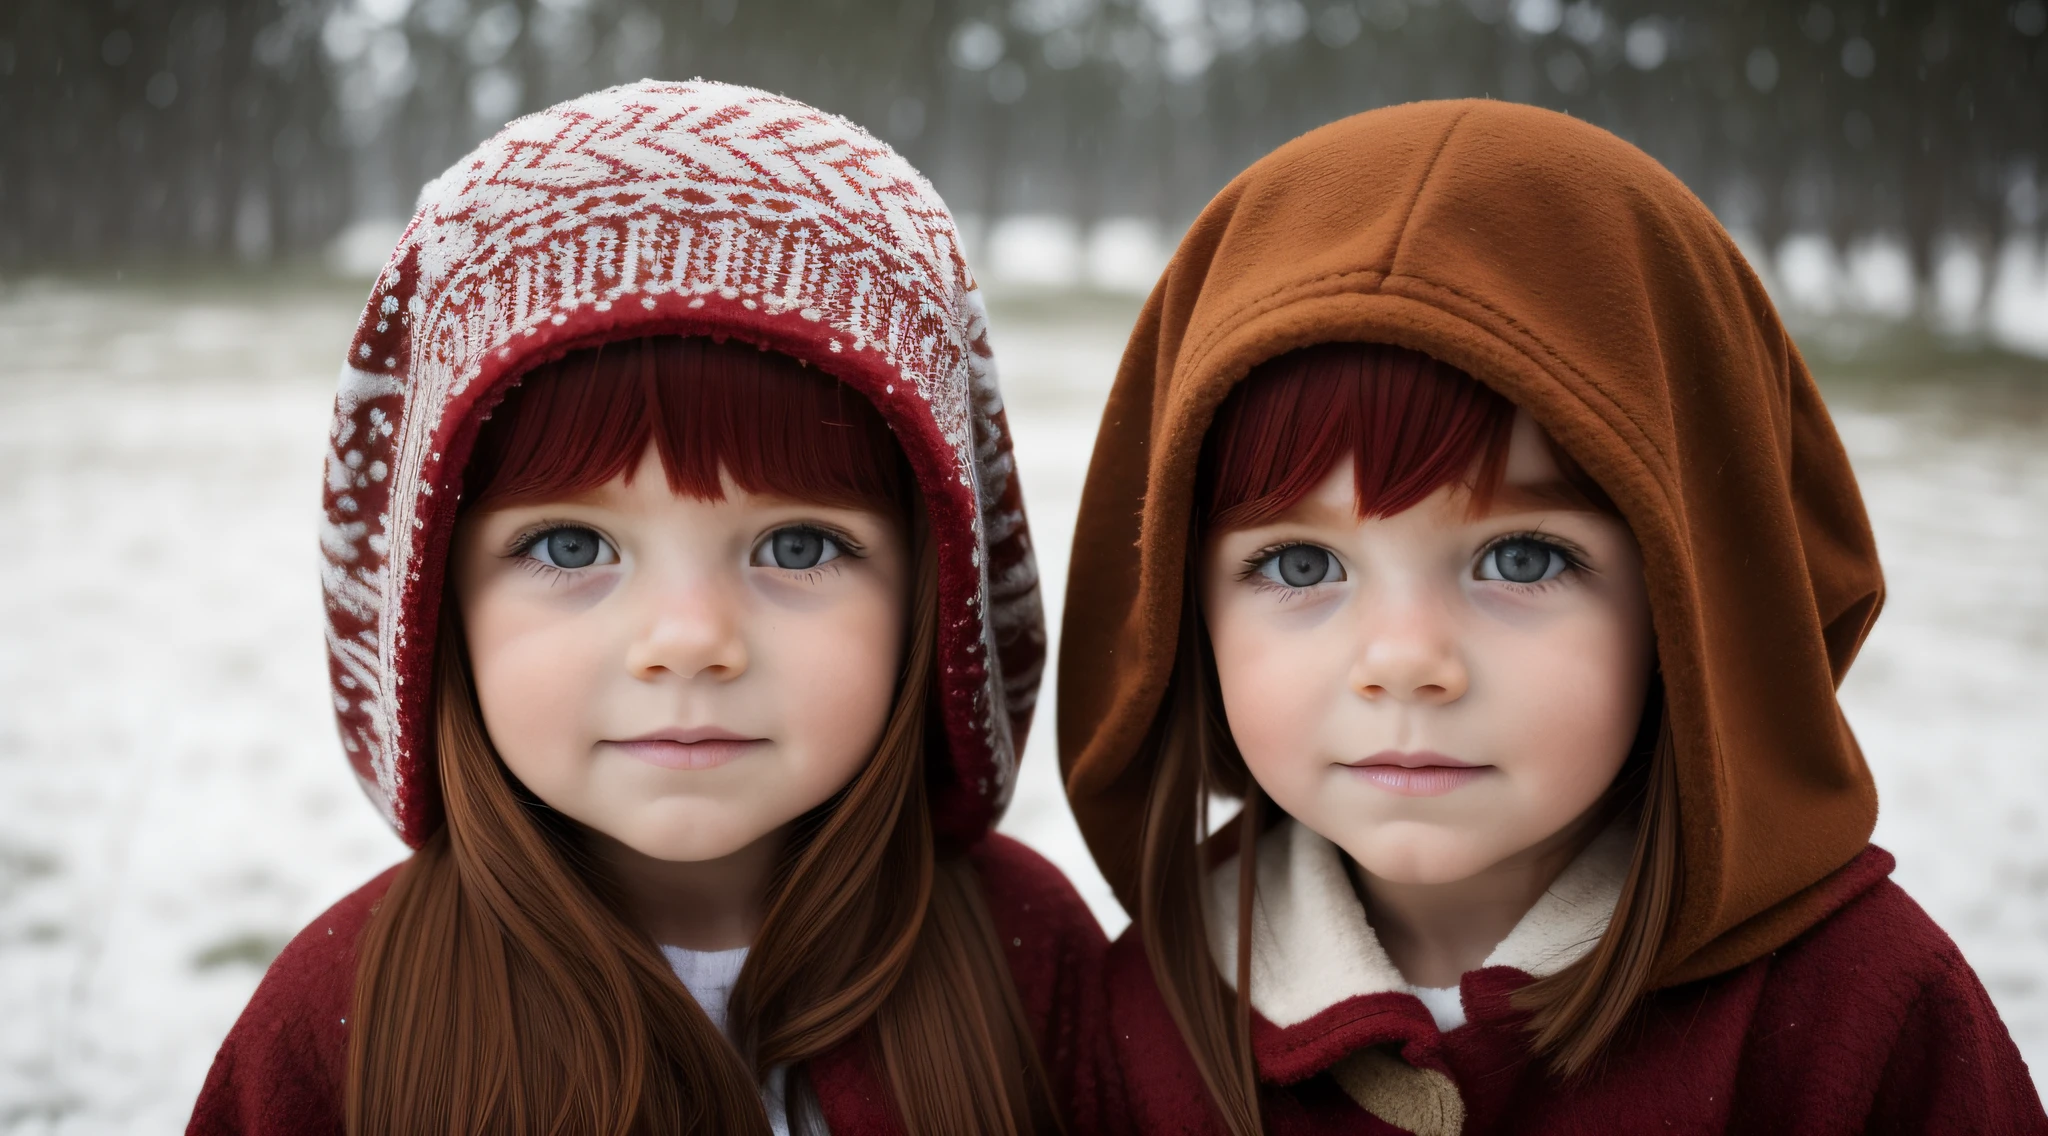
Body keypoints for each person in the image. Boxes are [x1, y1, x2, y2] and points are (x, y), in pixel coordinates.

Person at [1057, 100, 2046, 1134]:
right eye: (1299, 561)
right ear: (1178, 611)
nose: (1402, 661)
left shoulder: (1862, 1015)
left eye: (1517, 556)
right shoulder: (1140, 1022)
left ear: (1689, 598)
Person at [188, 80, 1101, 1136]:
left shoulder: (1029, 957)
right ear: (432, 608)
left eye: (795, 545)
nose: (687, 640)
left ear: (937, 601)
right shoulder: (337, 1023)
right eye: (570, 545)